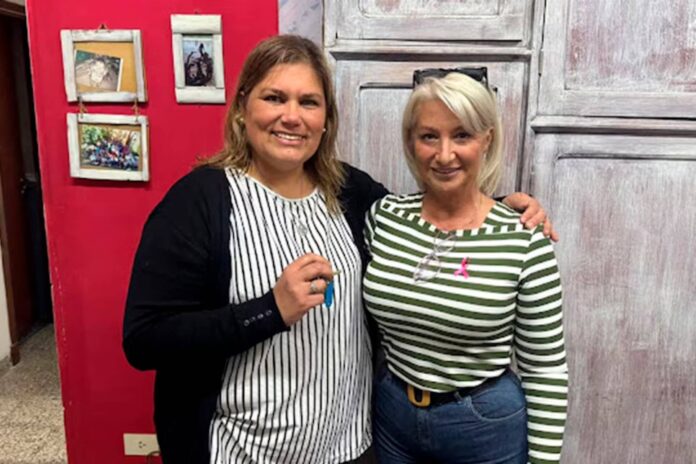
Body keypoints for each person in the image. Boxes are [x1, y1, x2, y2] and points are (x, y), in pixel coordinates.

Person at [122, 35, 554, 464]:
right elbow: (144, 340)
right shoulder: (198, 202)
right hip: (242, 451)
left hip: (350, 447)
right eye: (274, 98)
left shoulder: (350, 191)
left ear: (326, 119)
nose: (292, 116)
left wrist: (500, 212)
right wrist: (269, 310)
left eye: (309, 102)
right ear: (241, 109)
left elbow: (426, 219)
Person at [364, 70, 568, 464]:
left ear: (486, 139)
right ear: (411, 141)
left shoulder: (524, 239)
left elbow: (545, 369)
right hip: (393, 415)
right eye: (429, 136)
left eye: (462, 135)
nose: (444, 155)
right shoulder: (384, 218)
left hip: (484, 426)